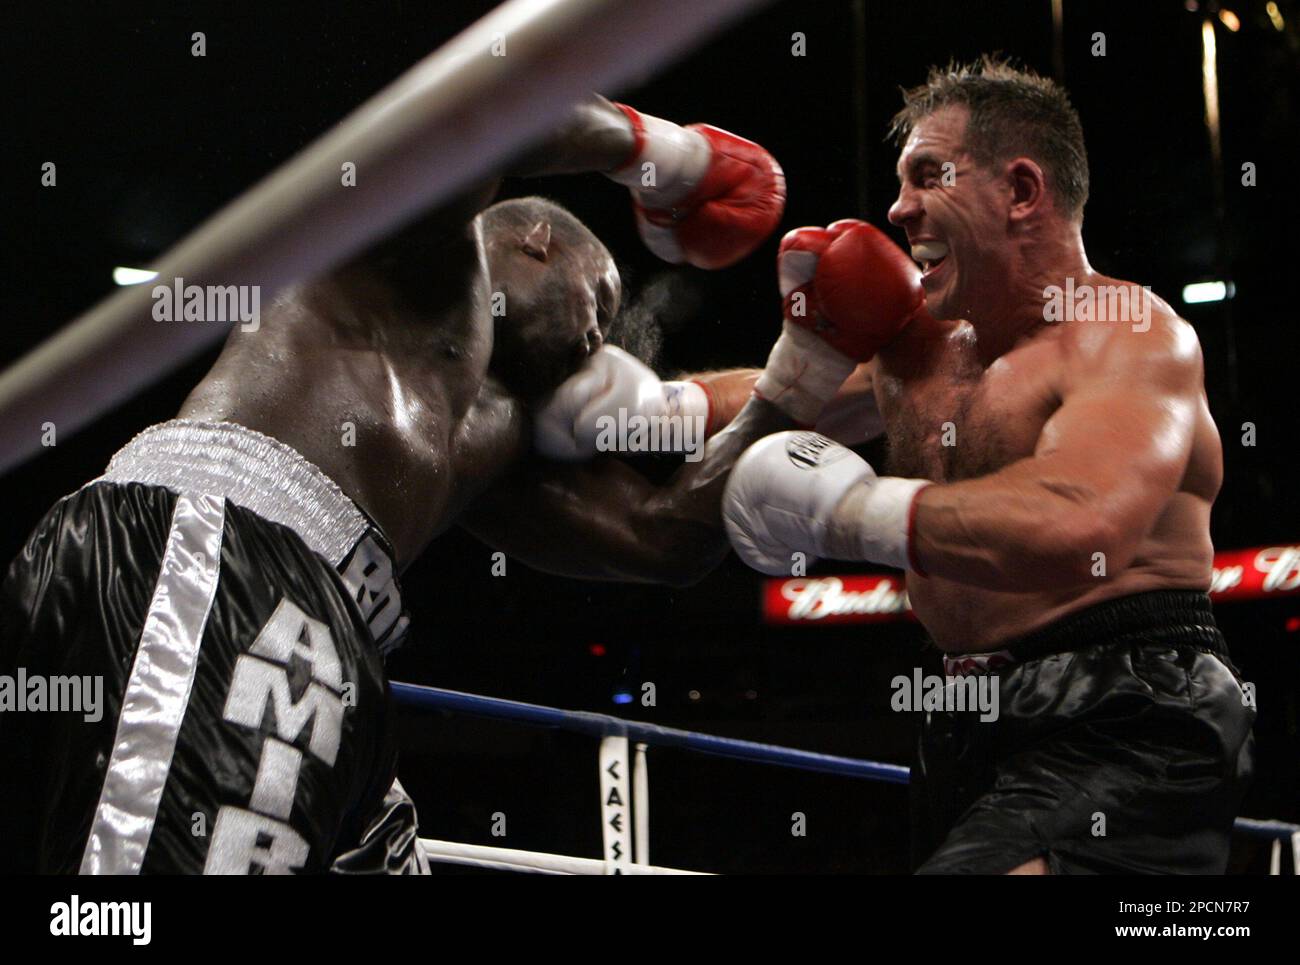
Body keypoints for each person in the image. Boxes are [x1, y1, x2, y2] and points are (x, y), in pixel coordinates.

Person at [0, 95, 800, 874]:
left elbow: (665, 540)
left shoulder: (488, 449)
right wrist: (669, 156)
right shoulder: (412, 247)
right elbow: (492, 106)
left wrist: (802, 376)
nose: (598, 334)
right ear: (536, 242)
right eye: (600, 296)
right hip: (213, 548)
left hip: (314, 639)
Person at [720, 57, 1254, 874]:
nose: (897, 207)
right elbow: (733, 411)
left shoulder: (1131, 335)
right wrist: (620, 406)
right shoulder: (922, 355)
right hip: (959, 709)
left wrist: (851, 513)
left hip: (1126, 703)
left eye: (927, 175)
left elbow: (1081, 519)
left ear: (1022, 191)